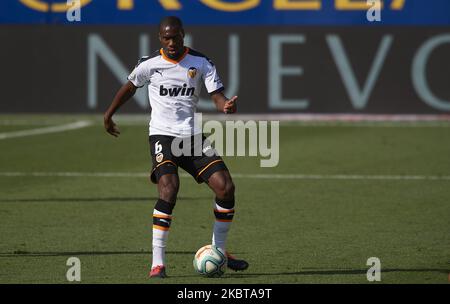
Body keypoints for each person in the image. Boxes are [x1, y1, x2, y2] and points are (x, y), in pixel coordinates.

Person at [103, 16, 249, 278]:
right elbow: (129, 87)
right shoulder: (149, 65)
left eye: (176, 37)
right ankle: (157, 263)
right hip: (162, 136)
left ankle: (220, 250)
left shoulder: (201, 62)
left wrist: (226, 105)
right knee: (169, 189)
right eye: (166, 38)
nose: (172, 43)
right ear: (160, 38)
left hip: (192, 137)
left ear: (184, 36)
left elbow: (217, 97)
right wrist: (109, 114)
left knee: (226, 187)